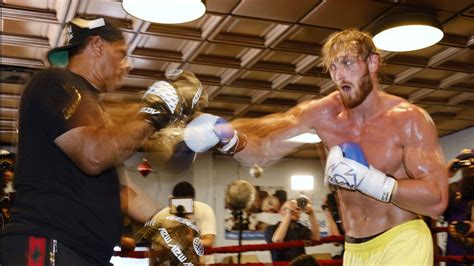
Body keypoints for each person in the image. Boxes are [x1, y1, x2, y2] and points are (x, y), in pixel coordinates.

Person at [182, 28, 448, 265]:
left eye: (347, 63)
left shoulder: (409, 118)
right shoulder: (324, 113)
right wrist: (228, 138)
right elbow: (264, 147)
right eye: (333, 67)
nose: (340, 75)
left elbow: (436, 200)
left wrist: (369, 181)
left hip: (402, 239)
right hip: (355, 248)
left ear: (373, 63)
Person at [0, 16, 199, 265]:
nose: (128, 66)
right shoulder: (53, 83)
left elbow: (123, 192)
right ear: (97, 45)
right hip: (49, 243)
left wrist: (169, 223)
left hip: (86, 253)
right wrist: (155, 114)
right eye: (121, 53)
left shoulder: (96, 114)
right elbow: (93, 155)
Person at [149, 181, 216, 264]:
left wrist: (192, 240)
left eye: (186, 203)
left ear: (193, 200)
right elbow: (155, 249)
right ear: (172, 200)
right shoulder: (161, 217)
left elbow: (209, 241)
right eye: (179, 203)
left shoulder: (204, 210)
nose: (182, 208)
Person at [443, 149, 474, 265]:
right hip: (456, 256)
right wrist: (445, 174)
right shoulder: (452, 190)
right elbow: (429, 206)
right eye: (466, 163)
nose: (471, 166)